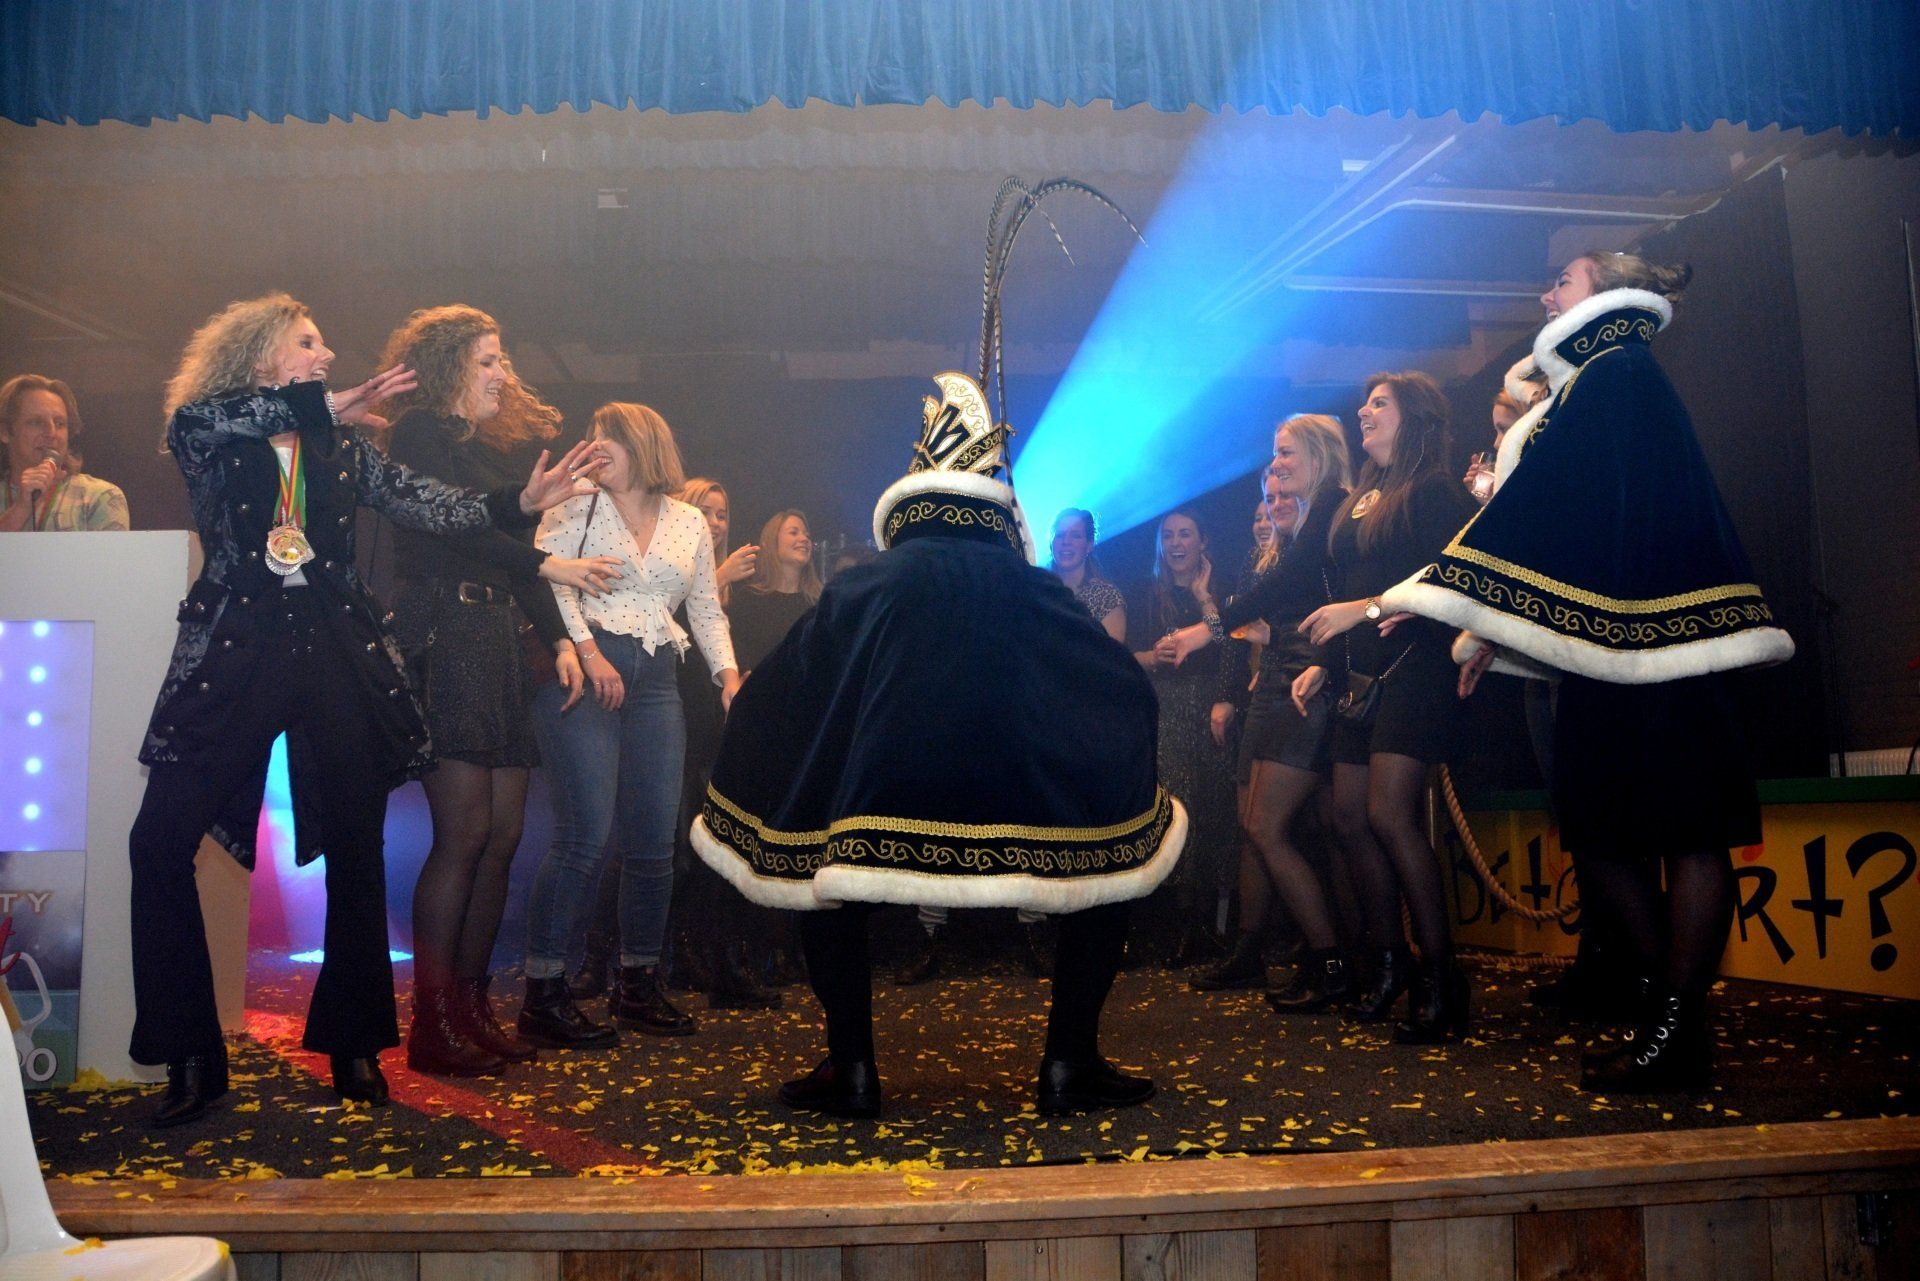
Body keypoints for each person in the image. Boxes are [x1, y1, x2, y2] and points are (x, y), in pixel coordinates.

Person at [128, 293, 601, 1128]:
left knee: (356, 844)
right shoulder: (210, 432)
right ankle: (189, 1049)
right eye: (307, 343)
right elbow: (200, 418)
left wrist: (515, 506)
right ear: (261, 356)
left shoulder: (341, 446)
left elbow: (429, 503)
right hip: (234, 654)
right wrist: (315, 407)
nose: (326, 354)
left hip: (333, 649)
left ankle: (354, 1042)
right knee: (158, 842)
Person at [1381, 252, 1793, 1090]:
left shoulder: (1619, 370)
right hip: (1612, 647)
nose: (1545, 294)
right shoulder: (1589, 383)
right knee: (1602, 835)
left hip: (1670, 643)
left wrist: (1446, 594)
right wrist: (1493, 625)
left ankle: (1674, 1026)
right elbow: (1564, 520)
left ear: (1606, 294)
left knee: (1689, 832)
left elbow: (1544, 505)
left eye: (1563, 282)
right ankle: (1669, 1012)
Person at [375, 305, 624, 1077]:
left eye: (501, 358)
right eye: (487, 359)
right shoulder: (419, 432)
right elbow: (468, 533)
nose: (502, 372)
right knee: (464, 833)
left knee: (504, 833)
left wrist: (562, 638)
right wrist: (546, 561)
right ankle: (432, 1022)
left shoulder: (482, 452)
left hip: (497, 642)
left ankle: (471, 1007)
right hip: (448, 634)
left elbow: (514, 553)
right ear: (449, 364)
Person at [516, 403, 741, 1048]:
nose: (592, 448)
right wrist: (588, 651)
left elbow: (705, 608)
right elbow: (549, 585)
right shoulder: (574, 503)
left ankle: (637, 984)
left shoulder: (687, 520)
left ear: (642, 444)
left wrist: (728, 677)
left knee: (653, 844)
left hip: (659, 680)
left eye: (605, 438)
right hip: (583, 672)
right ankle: (544, 991)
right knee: (584, 837)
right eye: (589, 437)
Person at [1293, 374, 1479, 1042]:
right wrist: (1325, 659)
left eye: (1380, 403)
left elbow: (1453, 579)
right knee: (1347, 817)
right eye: (1365, 402)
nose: (1364, 411)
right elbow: (1352, 589)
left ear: (1414, 416)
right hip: (1360, 674)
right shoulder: (1362, 497)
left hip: (1417, 666)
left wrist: (1369, 610)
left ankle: (1442, 978)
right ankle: (1390, 961)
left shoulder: (1436, 490)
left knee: (1390, 815)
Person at [1166, 417, 1354, 1007]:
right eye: (1273, 458)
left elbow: (1286, 592)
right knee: (1254, 825)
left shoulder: (1334, 507)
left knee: (1271, 828)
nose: (1275, 465)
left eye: (1285, 453)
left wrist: (1207, 627)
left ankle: (1331, 962)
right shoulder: (1298, 528)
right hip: (1275, 680)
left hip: (1306, 679)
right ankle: (1259, 951)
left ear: (1317, 453)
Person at [574, 476, 757, 1002]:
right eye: (707, 511)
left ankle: (685, 957)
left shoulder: (732, 587)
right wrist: (716, 577)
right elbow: (652, 617)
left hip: (709, 723)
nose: (716, 523)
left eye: (723, 514)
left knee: (699, 850)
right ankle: (597, 958)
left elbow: (720, 637)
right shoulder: (670, 567)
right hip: (664, 711)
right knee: (650, 841)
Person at [1131, 509, 1240, 966]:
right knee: (1175, 806)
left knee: (1214, 807)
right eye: (1169, 536)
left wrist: (1205, 599)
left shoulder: (1222, 588)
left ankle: (1211, 925)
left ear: (1202, 541)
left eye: (1185, 535)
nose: (1176, 543)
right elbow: (1127, 653)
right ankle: (1178, 923)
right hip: (1167, 705)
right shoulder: (1146, 591)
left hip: (1213, 705)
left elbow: (1235, 646)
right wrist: (1153, 657)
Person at [0, 375, 128, 531]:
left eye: (60, 423)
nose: (51, 433)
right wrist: (21, 508)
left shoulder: (100, 497)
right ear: (5, 431)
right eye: (36, 422)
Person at [1048, 507, 1126, 643]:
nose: (1066, 541)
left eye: (1075, 535)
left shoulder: (1106, 596)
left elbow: (1113, 652)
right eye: (1060, 535)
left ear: (1089, 545)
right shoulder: (1040, 591)